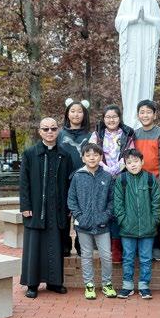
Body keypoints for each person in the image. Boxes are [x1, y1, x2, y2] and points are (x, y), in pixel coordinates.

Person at [20, 117, 72, 298]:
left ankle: (54, 282)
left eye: (53, 128)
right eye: (46, 129)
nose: (50, 132)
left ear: (58, 131)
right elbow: (24, 183)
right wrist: (25, 206)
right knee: (34, 246)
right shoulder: (29, 154)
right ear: (40, 131)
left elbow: (69, 183)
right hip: (36, 207)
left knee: (56, 245)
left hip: (57, 208)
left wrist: (69, 206)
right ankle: (32, 284)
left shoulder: (64, 155)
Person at [115, 0, 160, 128]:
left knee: (145, 79)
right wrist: (134, 19)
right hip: (132, 51)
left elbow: (159, 24)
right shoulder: (127, 0)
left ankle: (144, 118)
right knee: (130, 79)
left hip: (146, 51)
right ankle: (130, 118)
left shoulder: (152, 1)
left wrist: (147, 18)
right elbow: (118, 22)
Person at [67, 143, 117, 300]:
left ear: (101, 157)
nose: (92, 158)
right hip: (83, 225)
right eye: (88, 155)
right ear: (83, 158)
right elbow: (71, 199)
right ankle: (89, 285)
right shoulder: (77, 176)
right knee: (87, 255)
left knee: (106, 256)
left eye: (95, 155)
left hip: (102, 225)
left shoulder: (107, 177)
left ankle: (107, 283)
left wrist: (105, 216)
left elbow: (112, 200)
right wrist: (79, 216)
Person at [113, 149, 160, 299]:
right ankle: (127, 286)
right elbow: (118, 204)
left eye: (135, 161)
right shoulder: (121, 180)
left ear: (142, 162)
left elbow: (157, 202)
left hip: (148, 228)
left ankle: (144, 286)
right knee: (128, 257)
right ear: (125, 165)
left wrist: (154, 221)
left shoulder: (149, 178)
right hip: (127, 228)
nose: (133, 165)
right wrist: (123, 221)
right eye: (129, 162)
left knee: (146, 258)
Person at [90, 105, 135, 263]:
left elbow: (129, 154)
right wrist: (106, 169)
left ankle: (116, 246)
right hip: (101, 176)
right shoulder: (97, 134)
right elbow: (91, 153)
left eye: (114, 116)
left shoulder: (127, 134)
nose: (111, 120)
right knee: (103, 208)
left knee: (117, 210)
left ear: (119, 118)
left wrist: (115, 169)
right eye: (108, 117)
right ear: (104, 119)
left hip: (121, 177)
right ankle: (104, 244)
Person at [134, 99, 160, 261]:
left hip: (155, 181)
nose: (145, 115)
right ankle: (139, 246)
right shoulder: (135, 134)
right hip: (138, 181)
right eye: (142, 112)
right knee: (139, 213)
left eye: (148, 112)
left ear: (154, 115)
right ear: (138, 115)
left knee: (157, 214)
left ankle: (156, 246)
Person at [58, 98, 92, 256]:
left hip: (84, 179)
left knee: (83, 212)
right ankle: (64, 243)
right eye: (73, 111)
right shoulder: (60, 134)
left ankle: (81, 243)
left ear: (84, 114)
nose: (76, 114)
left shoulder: (90, 135)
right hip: (64, 180)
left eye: (79, 111)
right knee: (64, 212)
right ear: (67, 113)